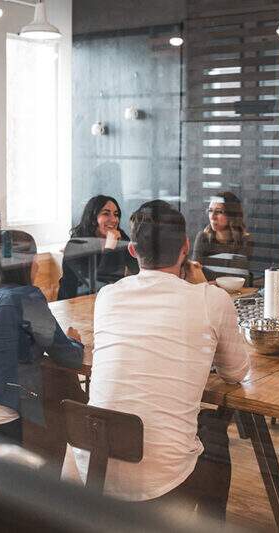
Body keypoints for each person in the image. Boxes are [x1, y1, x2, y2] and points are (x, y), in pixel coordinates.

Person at [64, 200, 250, 524]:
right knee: (216, 441)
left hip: (94, 466)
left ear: (132, 250)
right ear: (186, 248)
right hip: (161, 481)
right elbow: (236, 372)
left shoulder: (107, 296)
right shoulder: (211, 298)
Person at [0, 230, 84, 445]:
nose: (37, 265)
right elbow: (69, 357)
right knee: (59, 394)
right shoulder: (25, 298)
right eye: (35, 259)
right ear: (26, 263)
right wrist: (75, 341)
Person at [57, 195, 139, 299]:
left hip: (108, 301)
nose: (114, 220)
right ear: (92, 219)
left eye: (116, 214)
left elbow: (138, 269)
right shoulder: (75, 245)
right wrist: (109, 248)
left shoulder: (120, 238)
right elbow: (97, 285)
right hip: (74, 305)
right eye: (106, 214)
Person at [192, 191, 253, 281]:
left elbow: (236, 279)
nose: (212, 217)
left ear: (231, 215)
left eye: (219, 212)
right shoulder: (203, 238)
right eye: (210, 211)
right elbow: (195, 275)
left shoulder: (245, 240)